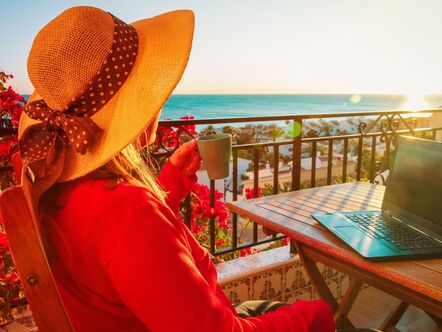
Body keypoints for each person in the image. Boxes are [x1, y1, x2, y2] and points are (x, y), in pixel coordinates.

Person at [17, 6, 336, 331]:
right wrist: (314, 315)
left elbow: (122, 259)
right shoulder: (126, 212)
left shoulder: (57, 190)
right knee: (312, 313)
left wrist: (170, 181)